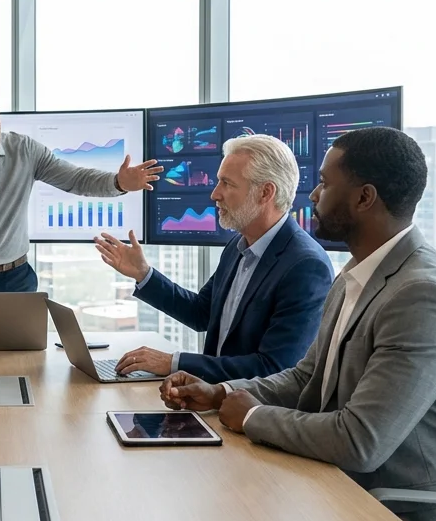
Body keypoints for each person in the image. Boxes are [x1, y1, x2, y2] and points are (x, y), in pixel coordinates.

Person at [158, 126, 436, 521]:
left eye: (327, 184)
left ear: (364, 198)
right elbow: (307, 376)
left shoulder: (422, 295)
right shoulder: (357, 273)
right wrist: (222, 392)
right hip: (335, 487)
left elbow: (359, 441)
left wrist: (250, 417)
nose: (312, 194)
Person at [0, 76, 162, 344]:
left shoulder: (25, 150)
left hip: (17, 280)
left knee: (25, 363)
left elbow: (75, 178)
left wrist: (117, 182)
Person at [94, 134, 332, 381]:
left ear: (265, 192)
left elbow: (274, 369)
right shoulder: (238, 246)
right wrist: (143, 274)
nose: (215, 194)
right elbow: (201, 313)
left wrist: (173, 362)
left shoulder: (305, 266)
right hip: (213, 400)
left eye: (227, 184)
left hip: (252, 413)